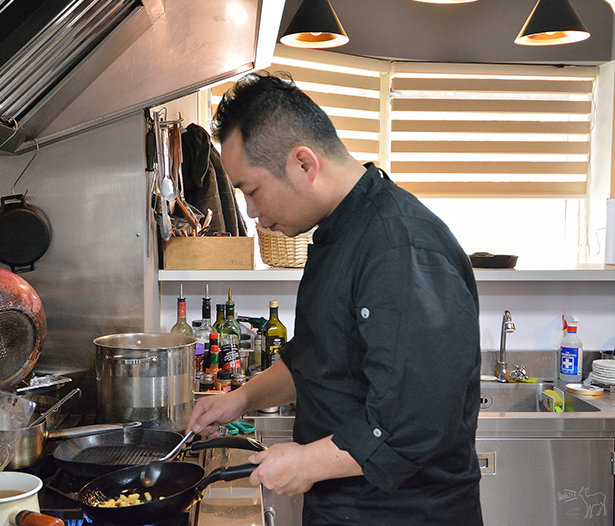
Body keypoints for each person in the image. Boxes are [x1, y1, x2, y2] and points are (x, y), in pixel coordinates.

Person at [185, 72, 483, 525]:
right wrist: (240, 400)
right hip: (345, 505)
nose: (251, 211)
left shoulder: (400, 247)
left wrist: (305, 463)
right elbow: (316, 360)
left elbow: (415, 420)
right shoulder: (337, 234)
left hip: (403, 513)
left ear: (304, 164)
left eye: (251, 189)